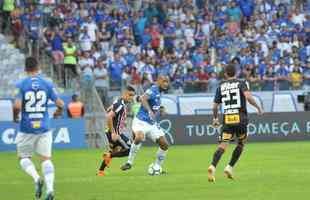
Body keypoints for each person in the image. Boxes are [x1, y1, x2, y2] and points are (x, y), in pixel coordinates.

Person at [13, 57, 64, 200]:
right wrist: (58, 112)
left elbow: (17, 106)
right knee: (46, 159)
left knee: (23, 157)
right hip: (44, 127)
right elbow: (60, 104)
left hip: (26, 127)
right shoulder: (47, 84)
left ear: (25, 68)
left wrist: (15, 117)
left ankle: (36, 178)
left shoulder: (21, 84)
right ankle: (50, 190)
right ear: (38, 67)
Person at [207, 64, 263, 182]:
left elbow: (215, 106)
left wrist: (215, 118)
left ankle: (212, 166)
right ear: (236, 73)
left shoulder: (221, 86)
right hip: (240, 118)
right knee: (241, 143)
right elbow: (248, 97)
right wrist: (258, 107)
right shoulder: (242, 83)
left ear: (226, 74)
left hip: (227, 118)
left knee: (223, 145)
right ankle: (229, 167)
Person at [121, 75, 169, 174]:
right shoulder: (153, 89)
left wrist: (161, 108)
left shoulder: (160, 92)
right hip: (140, 121)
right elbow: (143, 99)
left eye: (167, 82)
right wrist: (149, 110)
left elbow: (155, 103)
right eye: (164, 81)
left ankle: (157, 167)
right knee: (139, 137)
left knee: (164, 145)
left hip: (151, 124)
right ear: (158, 81)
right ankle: (129, 162)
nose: (166, 84)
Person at [97, 86, 136, 176]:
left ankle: (101, 172)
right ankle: (109, 156)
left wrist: (120, 121)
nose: (131, 97)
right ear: (124, 94)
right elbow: (109, 116)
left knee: (113, 151)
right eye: (130, 95)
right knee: (130, 150)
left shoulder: (119, 102)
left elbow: (109, 110)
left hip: (112, 132)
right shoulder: (120, 105)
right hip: (115, 133)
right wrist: (114, 132)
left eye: (132, 96)